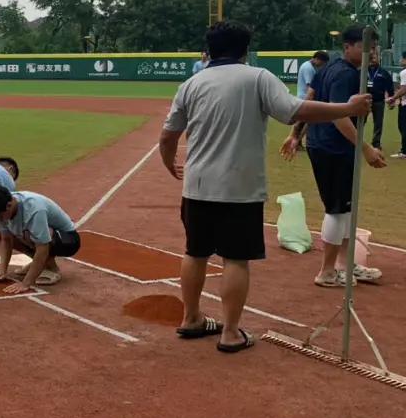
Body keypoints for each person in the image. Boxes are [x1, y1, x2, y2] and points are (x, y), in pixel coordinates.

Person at [162, 21, 371, 354]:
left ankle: (191, 319)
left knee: (195, 251)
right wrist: (347, 108)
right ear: (245, 49)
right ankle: (230, 333)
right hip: (239, 187)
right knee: (236, 258)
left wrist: (168, 160)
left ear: (211, 49)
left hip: (197, 184)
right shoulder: (257, 77)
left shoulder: (191, 83)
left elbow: (168, 135)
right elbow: (295, 111)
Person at [282, 24, 386, 288]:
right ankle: (327, 271)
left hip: (327, 145)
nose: (370, 52)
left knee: (347, 209)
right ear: (348, 47)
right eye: (364, 47)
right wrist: (367, 149)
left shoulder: (329, 69)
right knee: (338, 210)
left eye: (372, 47)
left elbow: (311, 99)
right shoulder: (345, 75)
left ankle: (345, 264)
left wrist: (296, 134)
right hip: (333, 147)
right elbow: (340, 117)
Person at [0, 189, 81, 290]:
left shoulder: (34, 209)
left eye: (0, 216)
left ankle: (51, 268)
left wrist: (26, 283)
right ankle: (39, 263)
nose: (0, 220)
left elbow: (43, 247)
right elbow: (6, 240)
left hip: (68, 240)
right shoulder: (2, 205)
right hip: (37, 236)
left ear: (9, 205)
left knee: (35, 232)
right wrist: (2, 271)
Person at [367, 48, 395, 150]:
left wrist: (391, 100)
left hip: (378, 101)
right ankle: (357, 142)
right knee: (361, 122)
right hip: (364, 101)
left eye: (376, 57)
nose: (373, 59)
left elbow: (390, 87)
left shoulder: (383, 73)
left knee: (378, 123)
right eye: (372, 57)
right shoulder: (363, 71)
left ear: (379, 58)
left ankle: (376, 143)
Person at [389, 52, 406, 160]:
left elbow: (404, 89)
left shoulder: (404, 72)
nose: (401, 60)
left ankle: (404, 151)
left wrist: (393, 98)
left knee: (403, 127)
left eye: (402, 58)